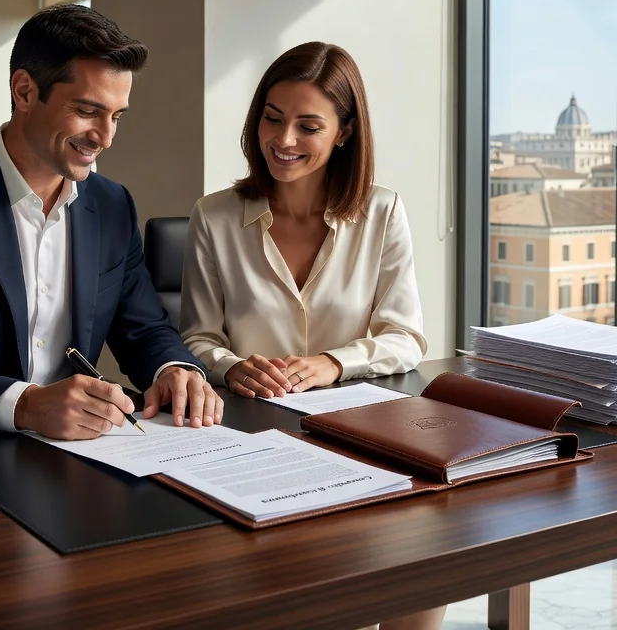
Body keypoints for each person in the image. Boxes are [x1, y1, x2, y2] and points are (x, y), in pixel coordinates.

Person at [0, 4, 222, 440]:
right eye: (87, 111)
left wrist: (174, 369)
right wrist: (25, 405)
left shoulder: (111, 204)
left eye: (116, 116)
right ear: (25, 92)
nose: (106, 138)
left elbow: (144, 327)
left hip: (81, 450)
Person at [179, 41, 441, 630]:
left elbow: (405, 336)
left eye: (308, 126)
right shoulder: (214, 217)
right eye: (272, 118)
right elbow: (196, 338)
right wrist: (229, 365)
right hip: (253, 442)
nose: (284, 139)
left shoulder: (382, 213)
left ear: (344, 132)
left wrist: (333, 362)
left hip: (360, 436)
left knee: (424, 565)